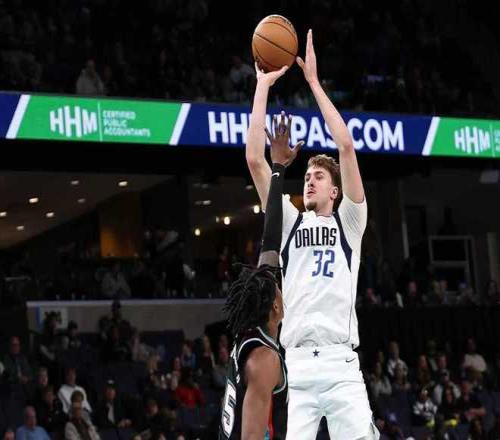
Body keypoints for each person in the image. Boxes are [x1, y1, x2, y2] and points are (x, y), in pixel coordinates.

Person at [245, 28, 377, 439]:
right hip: (299, 366)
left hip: (341, 365)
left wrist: (315, 84)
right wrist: (262, 86)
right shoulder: (289, 220)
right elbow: (254, 160)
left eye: (319, 176)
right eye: (307, 176)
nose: (310, 180)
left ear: (336, 191)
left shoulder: (350, 222)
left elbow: (346, 146)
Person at [219, 113, 301, 440]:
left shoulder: (251, 331)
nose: (282, 287)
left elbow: (270, 239)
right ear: (275, 308)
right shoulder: (264, 359)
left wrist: (278, 168)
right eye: (278, 288)